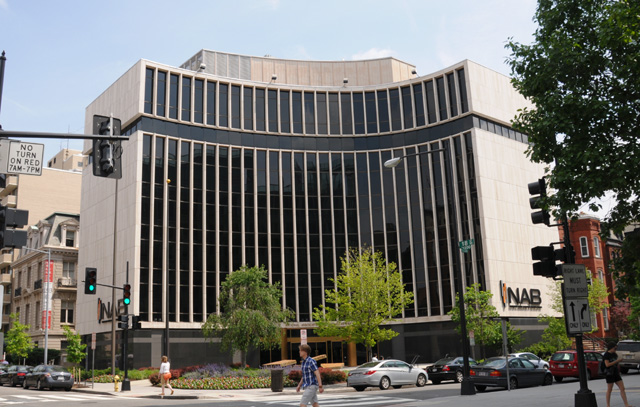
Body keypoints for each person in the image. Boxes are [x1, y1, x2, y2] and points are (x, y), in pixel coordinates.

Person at [603, 341, 632, 407]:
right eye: (614, 348)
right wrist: (617, 361)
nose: (615, 350)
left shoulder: (614, 354)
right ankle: (608, 405)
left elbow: (615, 363)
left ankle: (626, 404)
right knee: (609, 389)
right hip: (610, 373)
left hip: (615, 372)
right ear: (611, 348)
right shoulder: (606, 355)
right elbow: (607, 364)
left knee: (622, 388)